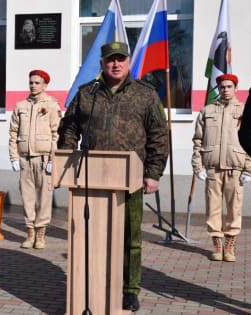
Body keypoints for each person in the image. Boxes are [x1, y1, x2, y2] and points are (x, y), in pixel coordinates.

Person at [57, 42, 169, 311]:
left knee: (130, 237)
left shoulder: (146, 94)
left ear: (128, 62)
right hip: (91, 180)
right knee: (91, 235)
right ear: (102, 64)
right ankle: (94, 283)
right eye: (110, 60)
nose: (115, 64)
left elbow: (159, 136)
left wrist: (153, 174)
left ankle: (129, 289)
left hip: (131, 179)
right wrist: (67, 154)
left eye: (120, 59)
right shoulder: (87, 94)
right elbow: (69, 127)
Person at [192, 73, 251, 262]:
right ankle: (217, 244)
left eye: (229, 86)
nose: (226, 90)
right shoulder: (206, 110)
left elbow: (250, 139)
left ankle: (230, 245)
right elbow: (197, 140)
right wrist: (197, 166)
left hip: (236, 168)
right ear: (218, 89)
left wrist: (249, 169)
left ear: (235, 88)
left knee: (234, 208)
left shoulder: (244, 110)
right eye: (223, 86)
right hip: (212, 169)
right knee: (213, 208)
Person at [9, 69, 61, 249]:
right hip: (25, 159)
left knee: (44, 198)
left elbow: (56, 134)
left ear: (45, 85)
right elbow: (13, 133)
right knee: (27, 198)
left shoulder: (52, 105)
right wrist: (14, 157)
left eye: (37, 82)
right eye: (31, 82)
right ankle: (29, 232)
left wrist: (53, 160)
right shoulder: (20, 106)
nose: (33, 85)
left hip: (44, 158)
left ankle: (40, 234)